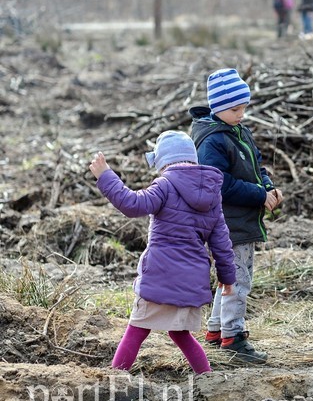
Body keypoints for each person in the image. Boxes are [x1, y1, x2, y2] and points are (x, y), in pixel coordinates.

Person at [89, 131, 236, 375]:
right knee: (180, 333)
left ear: (163, 162)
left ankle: (115, 376)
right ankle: (206, 376)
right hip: (192, 279)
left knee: (137, 329)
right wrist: (228, 278)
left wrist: (106, 176)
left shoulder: (165, 185)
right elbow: (221, 240)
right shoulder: (212, 194)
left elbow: (133, 204)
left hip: (160, 274)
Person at [189, 68, 284, 363]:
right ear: (218, 108)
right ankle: (234, 336)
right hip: (228, 222)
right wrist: (259, 195)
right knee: (238, 279)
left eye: (244, 107)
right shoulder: (213, 141)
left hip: (242, 219)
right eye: (235, 109)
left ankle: (217, 330)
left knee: (229, 278)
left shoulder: (238, 131)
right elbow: (221, 184)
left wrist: (267, 186)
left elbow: (256, 165)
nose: (241, 113)